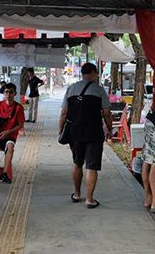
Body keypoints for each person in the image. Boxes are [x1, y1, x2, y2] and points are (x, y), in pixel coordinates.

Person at [59, 63, 111, 209]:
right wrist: (110, 129)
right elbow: (106, 113)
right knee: (91, 166)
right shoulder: (99, 90)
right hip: (94, 132)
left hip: (75, 132)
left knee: (77, 163)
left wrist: (60, 130)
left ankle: (76, 194)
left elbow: (64, 113)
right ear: (93, 73)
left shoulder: (71, 89)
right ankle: (89, 199)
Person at [0, 83, 25, 184]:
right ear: (3, 93)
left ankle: (4, 173)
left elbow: (20, 125)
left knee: (10, 146)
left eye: (11, 92)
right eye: (6, 92)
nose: (8, 94)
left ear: (15, 93)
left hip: (9, 136)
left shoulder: (19, 108)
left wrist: (8, 132)